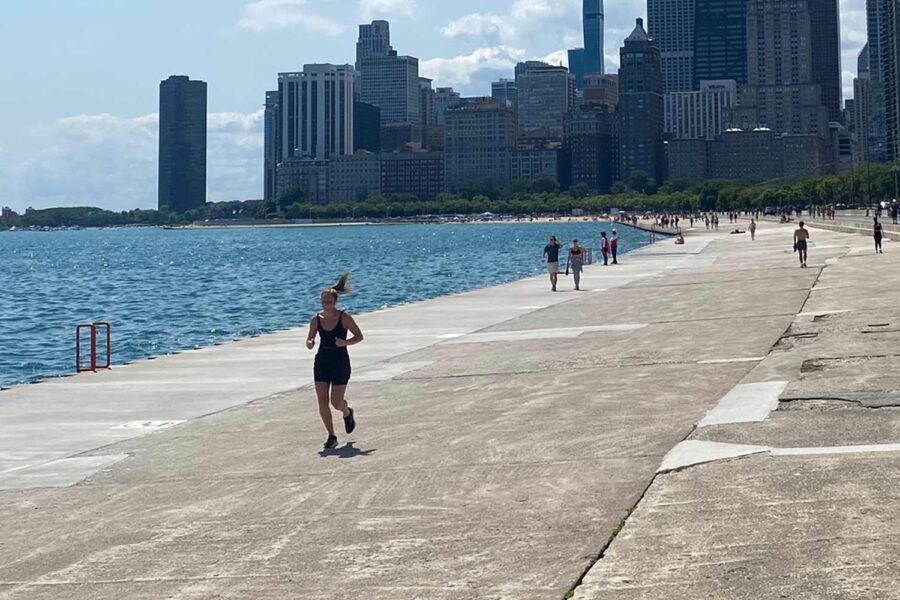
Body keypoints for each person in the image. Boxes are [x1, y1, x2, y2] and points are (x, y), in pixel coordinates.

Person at [306, 272, 364, 449]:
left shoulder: (344, 318)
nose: (326, 305)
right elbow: (310, 339)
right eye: (323, 302)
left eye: (329, 302)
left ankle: (347, 412)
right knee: (322, 401)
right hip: (322, 362)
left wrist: (344, 342)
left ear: (335, 302)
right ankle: (331, 435)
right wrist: (310, 342)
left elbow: (359, 336)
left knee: (336, 402)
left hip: (340, 362)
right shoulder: (316, 319)